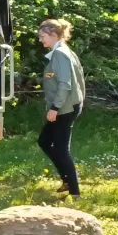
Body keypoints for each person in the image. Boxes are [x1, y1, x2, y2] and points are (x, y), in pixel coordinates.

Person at [37, 18, 86, 197]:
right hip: (68, 106)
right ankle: (67, 181)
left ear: (53, 35)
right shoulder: (63, 51)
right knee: (44, 141)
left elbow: (65, 84)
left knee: (61, 149)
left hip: (64, 108)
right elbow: (79, 78)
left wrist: (55, 108)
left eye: (43, 36)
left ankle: (75, 192)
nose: (41, 40)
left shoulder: (60, 54)